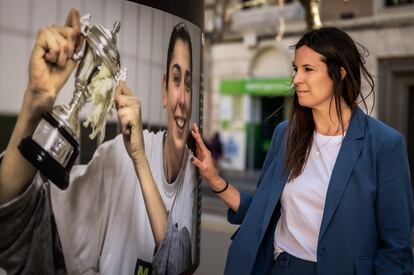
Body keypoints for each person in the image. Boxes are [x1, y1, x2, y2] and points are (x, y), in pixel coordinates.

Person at [191, 26, 413, 275]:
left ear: (339, 75)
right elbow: (263, 209)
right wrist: (213, 178)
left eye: (308, 69)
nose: (297, 79)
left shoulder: (385, 145)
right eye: (296, 69)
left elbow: (396, 250)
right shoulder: (285, 134)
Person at [0, 9, 197, 275]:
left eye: (188, 82)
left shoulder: (196, 175)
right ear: (164, 90)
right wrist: (34, 104)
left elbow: (178, 267)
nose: (182, 100)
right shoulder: (118, 157)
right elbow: (18, 231)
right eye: (175, 80)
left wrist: (140, 160)